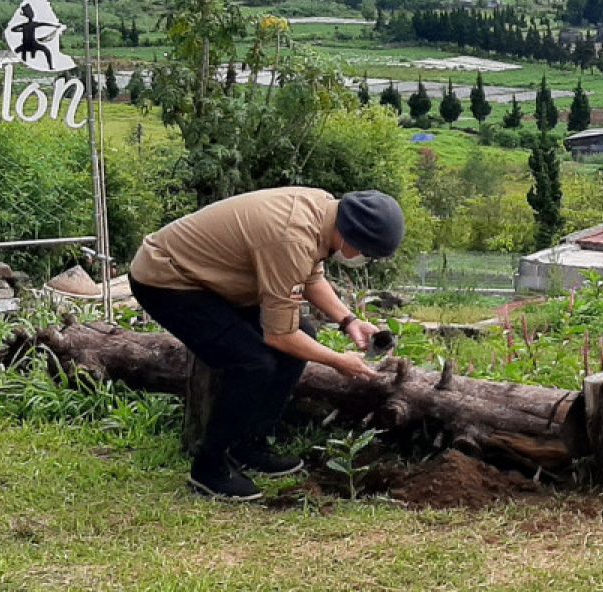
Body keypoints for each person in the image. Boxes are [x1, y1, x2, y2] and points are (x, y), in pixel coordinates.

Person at [128, 187, 404, 501]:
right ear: (350, 237)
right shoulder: (292, 237)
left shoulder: (324, 213)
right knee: (251, 363)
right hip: (167, 278)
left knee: (304, 336)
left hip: (212, 278)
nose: (364, 260)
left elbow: (311, 277)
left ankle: (249, 445)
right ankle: (210, 467)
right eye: (366, 253)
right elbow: (280, 336)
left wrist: (349, 321)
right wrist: (338, 361)